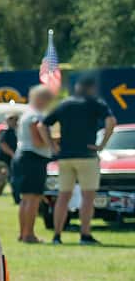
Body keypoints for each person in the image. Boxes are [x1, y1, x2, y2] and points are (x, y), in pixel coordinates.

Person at [46, 73, 117, 245]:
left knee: (63, 196)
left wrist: (52, 146)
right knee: (88, 197)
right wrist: (102, 145)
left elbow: (43, 124)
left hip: (65, 156)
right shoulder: (96, 103)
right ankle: (85, 234)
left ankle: (57, 235)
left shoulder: (65, 104)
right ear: (92, 88)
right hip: (87, 155)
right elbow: (111, 121)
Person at [12, 86, 55, 244]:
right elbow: (38, 140)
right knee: (34, 198)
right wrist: (51, 143)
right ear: (41, 99)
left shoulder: (26, 114)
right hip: (33, 158)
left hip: (23, 157)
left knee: (26, 198)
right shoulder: (36, 116)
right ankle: (29, 234)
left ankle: (23, 233)